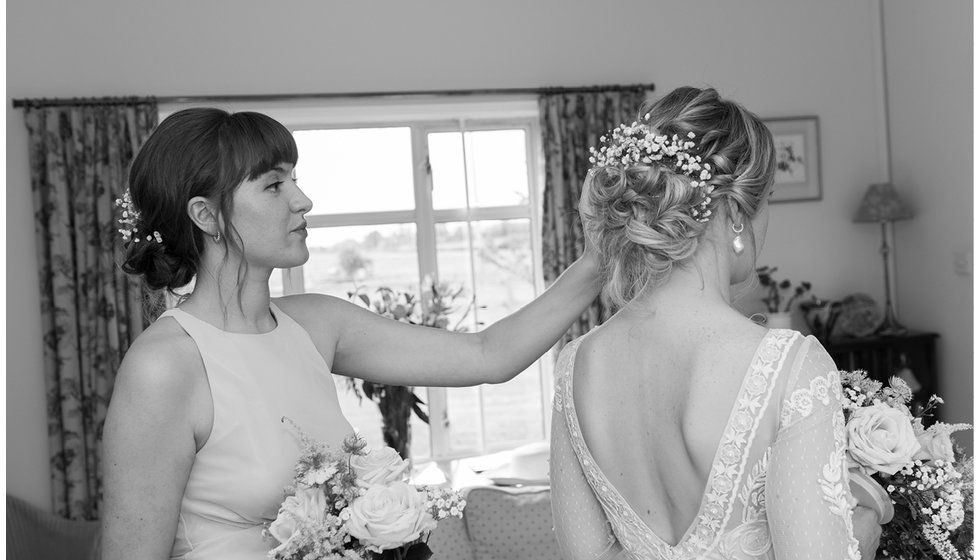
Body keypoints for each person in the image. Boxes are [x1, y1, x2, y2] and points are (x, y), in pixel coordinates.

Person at [99, 108, 601, 559]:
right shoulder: (165, 366)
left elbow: (488, 355)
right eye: (274, 186)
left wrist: (599, 259)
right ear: (206, 215)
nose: (303, 200)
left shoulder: (317, 324)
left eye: (294, 179)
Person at [549, 87, 882, 559]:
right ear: (737, 214)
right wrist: (861, 541)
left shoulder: (575, 365)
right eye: (767, 200)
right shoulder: (788, 367)